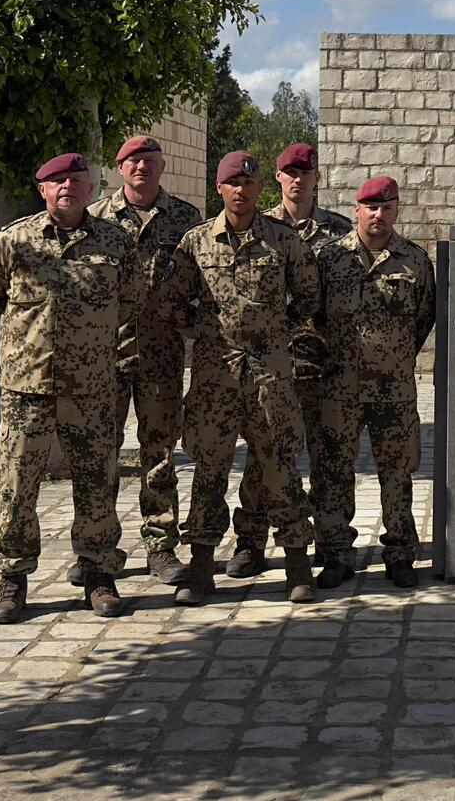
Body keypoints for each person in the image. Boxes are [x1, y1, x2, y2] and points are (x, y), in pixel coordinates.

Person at [0, 153, 143, 624]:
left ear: (90, 187)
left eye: (76, 179)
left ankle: (98, 572)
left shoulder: (115, 243)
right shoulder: (12, 242)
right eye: (57, 180)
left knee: (96, 481)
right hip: (27, 388)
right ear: (42, 187)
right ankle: (13, 577)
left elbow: (129, 301)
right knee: (15, 485)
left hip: (91, 387)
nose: (67, 186)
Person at [166, 151, 323, 604]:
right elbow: (173, 301)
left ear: (261, 189)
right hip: (215, 378)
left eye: (250, 184)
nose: (242, 190)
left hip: (269, 379)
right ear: (220, 188)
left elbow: (308, 295)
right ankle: (200, 569)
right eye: (233, 183)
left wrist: (276, 332)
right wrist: (205, 333)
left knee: (280, 468)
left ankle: (297, 565)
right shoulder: (195, 242)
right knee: (209, 471)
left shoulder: (283, 239)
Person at [225, 142, 354, 576]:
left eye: (306, 172)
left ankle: (333, 545)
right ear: (276, 179)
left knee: (329, 457)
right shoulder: (257, 230)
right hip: (268, 367)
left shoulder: (340, 232)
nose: (298, 179)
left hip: (326, 366)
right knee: (265, 456)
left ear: (318, 178)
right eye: (289, 172)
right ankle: (251, 541)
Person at [85, 135, 202, 589]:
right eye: (132, 161)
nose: (141, 168)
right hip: (105, 355)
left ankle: (160, 546)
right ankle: (98, 549)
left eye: (149, 161)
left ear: (162, 167)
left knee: (158, 455)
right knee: (101, 454)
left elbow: (198, 282)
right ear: (118, 168)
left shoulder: (185, 219)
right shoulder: (95, 218)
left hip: (162, 355)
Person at [309, 176, 436, 589]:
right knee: (333, 471)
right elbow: (314, 317)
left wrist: (393, 357)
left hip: (394, 389)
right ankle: (337, 554)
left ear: (396, 210)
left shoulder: (414, 261)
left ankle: (399, 554)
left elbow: (423, 318)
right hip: (340, 387)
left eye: (387, 207)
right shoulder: (329, 259)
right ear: (357, 210)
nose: (378, 215)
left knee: (397, 473)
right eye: (370, 208)